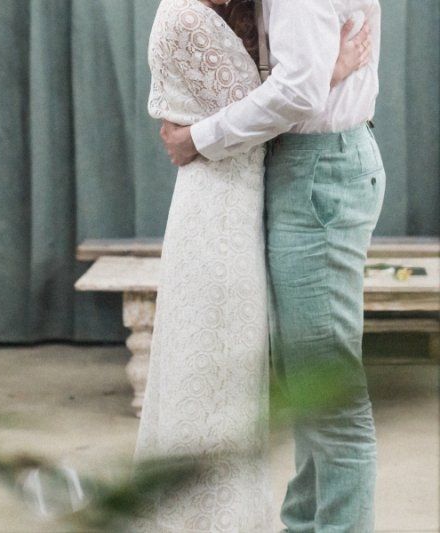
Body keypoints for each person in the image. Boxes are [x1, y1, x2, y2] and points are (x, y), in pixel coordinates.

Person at [134, 0, 375, 530]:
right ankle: (302, 524)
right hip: (288, 173)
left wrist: (195, 138)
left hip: (316, 167)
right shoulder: (194, 15)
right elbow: (280, 90)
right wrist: (328, 72)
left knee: (325, 383)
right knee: (304, 379)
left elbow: (295, 93)